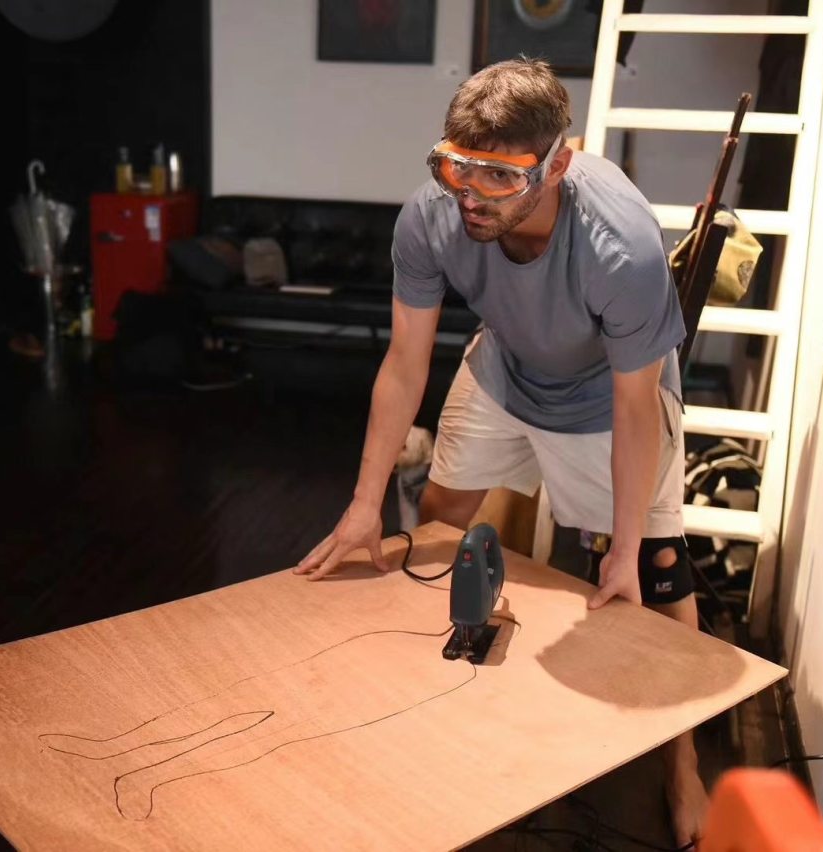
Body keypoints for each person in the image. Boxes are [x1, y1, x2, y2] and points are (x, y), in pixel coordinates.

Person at [293, 57, 706, 846]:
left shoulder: (621, 245)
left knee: (656, 571)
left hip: (606, 396)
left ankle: (682, 764)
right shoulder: (432, 216)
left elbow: (634, 406)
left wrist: (621, 548)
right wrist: (363, 505)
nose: (472, 195)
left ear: (557, 166)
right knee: (436, 522)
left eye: (499, 176)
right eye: (456, 166)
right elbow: (404, 362)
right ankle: (440, 691)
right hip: (507, 366)